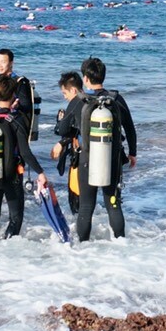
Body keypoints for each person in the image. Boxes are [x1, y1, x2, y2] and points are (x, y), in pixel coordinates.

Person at [66, 58, 138, 242]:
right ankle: (121, 244)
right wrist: (132, 153)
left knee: (86, 207)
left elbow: (63, 129)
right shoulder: (115, 99)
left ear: (85, 78)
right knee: (113, 205)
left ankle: (83, 248)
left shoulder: (78, 100)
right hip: (112, 158)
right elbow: (130, 128)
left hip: (86, 159)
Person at [0, 75, 48, 238]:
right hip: (12, 174)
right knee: (15, 218)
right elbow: (25, 152)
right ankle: (9, 251)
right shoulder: (16, 120)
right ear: (14, 95)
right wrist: (40, 172)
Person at [50, 70, 84, 213]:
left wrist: (61, 121)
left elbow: (62, 130)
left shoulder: (75, 102)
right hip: (93, 156)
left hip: (80, 158)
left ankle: (80, 232)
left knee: (75, 198)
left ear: (73, 90)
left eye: (65, 93)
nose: (65, 97)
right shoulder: (89, 101)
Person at [0, 47, 39, 138]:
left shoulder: (19, 82)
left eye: (3, 62)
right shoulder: (0, 82)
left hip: (16, 127)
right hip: (3, 123)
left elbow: (26, 105)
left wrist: (16, 106)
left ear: (11, 63)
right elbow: (0, 104)